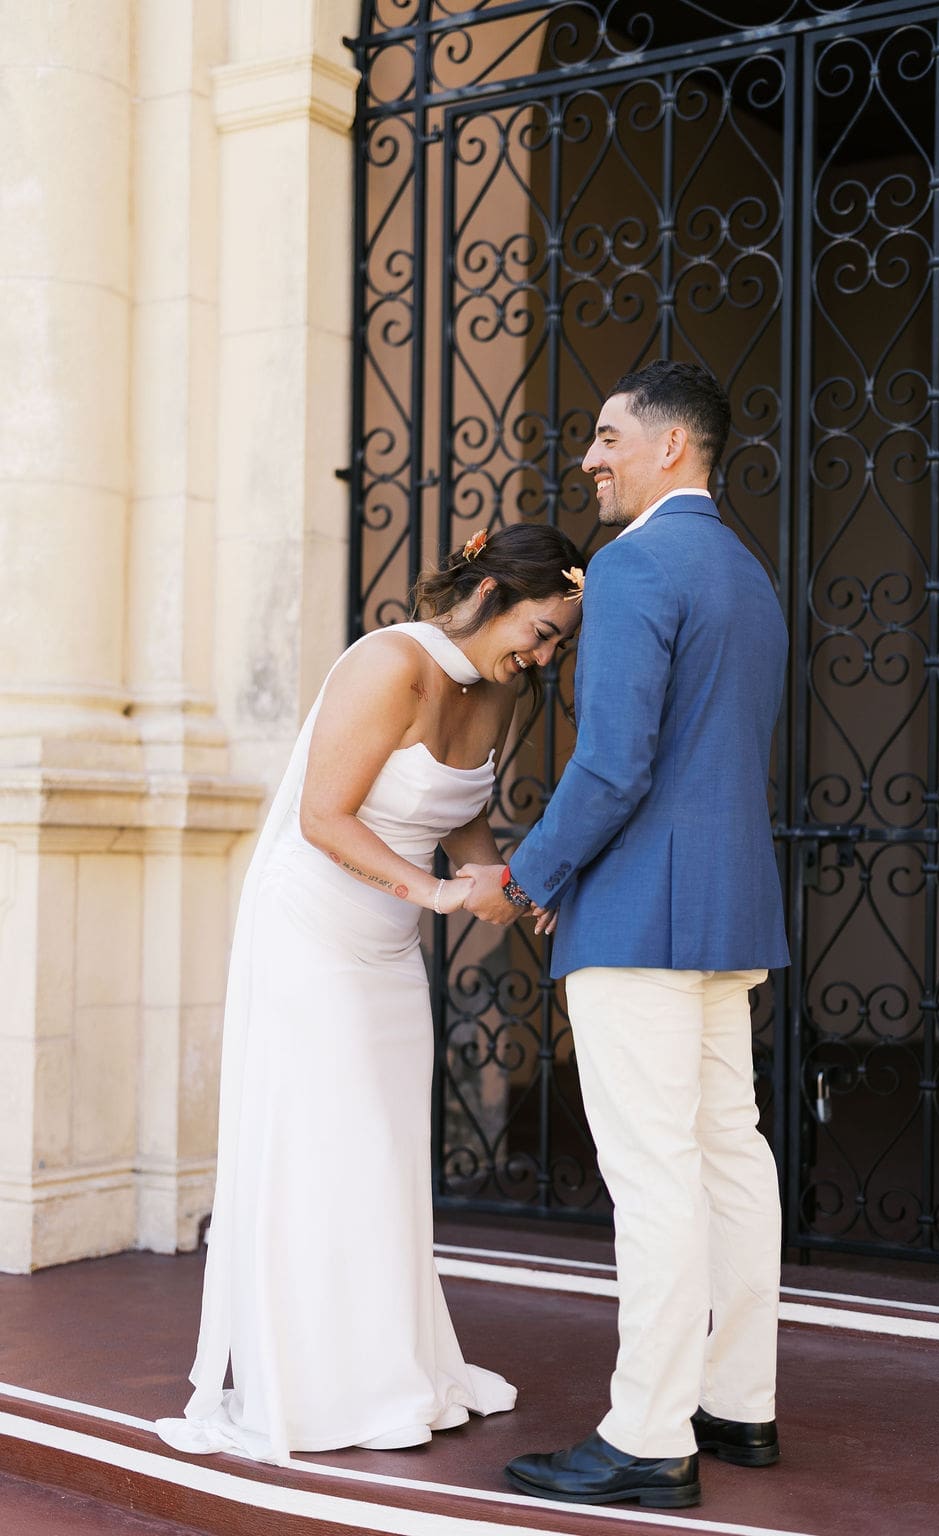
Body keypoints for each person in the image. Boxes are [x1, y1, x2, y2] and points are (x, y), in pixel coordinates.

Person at [155, 523, 585, 1466]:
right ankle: (313, 1383)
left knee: (383, 1153)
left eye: (559, 641)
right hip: (311, 933)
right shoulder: (390, 663)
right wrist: (438, 892)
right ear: (490, 597)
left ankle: (389, 1363)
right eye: (542, 629)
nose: (547, 654)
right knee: (323, 1147)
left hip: (386, 948)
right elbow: (321, 816)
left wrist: (508, 883)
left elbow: (460, 807)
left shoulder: (501, 691)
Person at [459, 361, 790, 1510]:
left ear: (670, 450)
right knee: (730, 1160)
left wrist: (530, 872)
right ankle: (738, 1406)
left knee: (656, 1176)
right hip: (725, 905)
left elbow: (613, 763)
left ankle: (649, 1438)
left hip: (638, 915)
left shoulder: (637, 562)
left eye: (608, 438)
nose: (590, 458)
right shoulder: (748, 574)